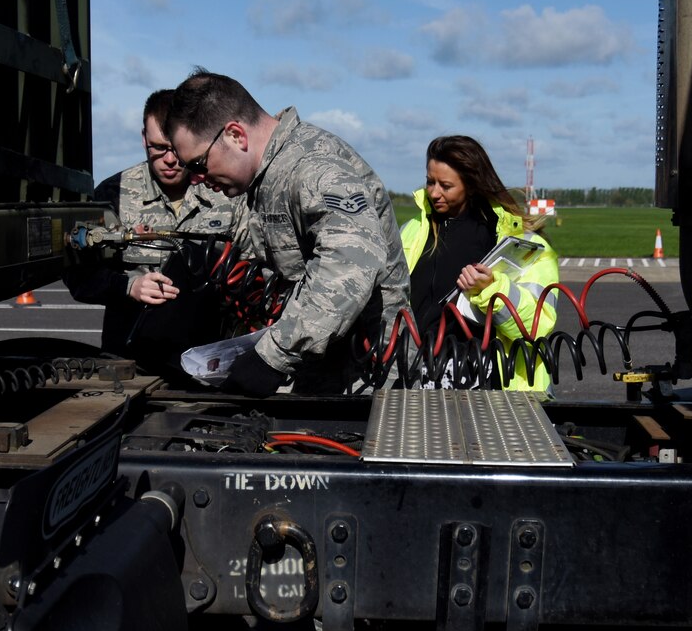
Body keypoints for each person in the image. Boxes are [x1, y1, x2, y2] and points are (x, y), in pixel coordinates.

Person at [162, 70, 410, 395]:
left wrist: (272, 356)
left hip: (367, 382)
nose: (196, 179)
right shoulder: (266, 178)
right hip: (324, 373)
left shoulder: (313, 169)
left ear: (236, 135)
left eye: (198, 164)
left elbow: (350, 264)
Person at [67, 89, 243, 377]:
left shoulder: (224, 191)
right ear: (143, 140)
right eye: (158, 147)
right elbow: (78, 277)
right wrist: (128, 286)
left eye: (176, 148)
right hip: (131, 363)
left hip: (207, 360)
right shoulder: (114, 195)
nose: (170, 159)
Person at [400, 135, 560, 391]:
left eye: (446, 185)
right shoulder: (410, 232)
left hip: (487, 383)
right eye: (430, 182)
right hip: (415, 377)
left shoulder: (523, 243)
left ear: (472, 184)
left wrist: (493, 289)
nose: (433, 192)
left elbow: (537, 326)